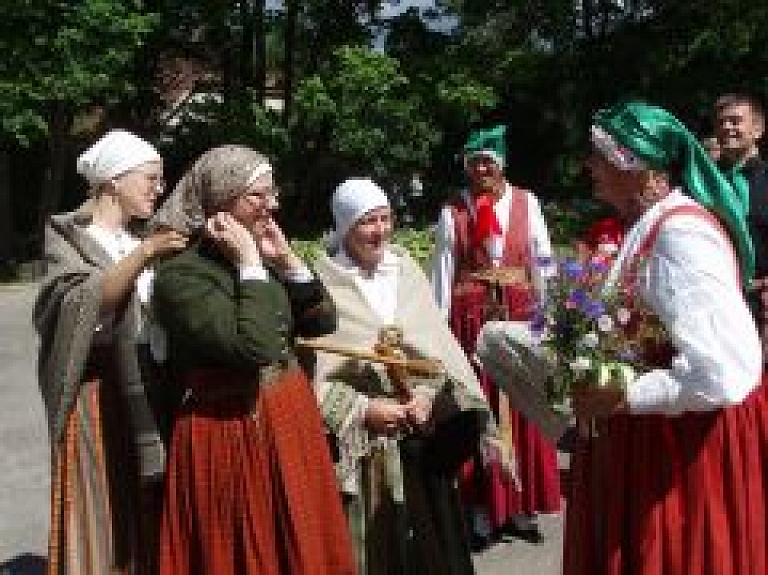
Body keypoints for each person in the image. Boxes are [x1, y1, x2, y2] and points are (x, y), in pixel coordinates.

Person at [565, 101, 767, 574]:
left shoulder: (680, 236)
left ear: (636, 166)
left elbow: (723, 372)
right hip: (659, 439)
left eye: (599, 157)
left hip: (688, 447)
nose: (588, 167)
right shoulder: (648, 226)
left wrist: (624, 395)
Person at [149, 146, 357, 575]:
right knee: (246, 547)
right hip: (229, 430)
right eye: (257, 196)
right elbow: (255, 348)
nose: (273, 204)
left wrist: (289, 263)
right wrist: (249, 264)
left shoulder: (263, 261)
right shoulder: (180, 276)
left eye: (273, 192)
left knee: (300, 539)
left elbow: (321, 322)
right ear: (220, 202)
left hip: (286, 414)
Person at [310, 178, 501, 574]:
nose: (380, 231)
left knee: (432, 550)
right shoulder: (322, 285)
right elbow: (314, 372)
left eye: (385, 219)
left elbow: (438, 350)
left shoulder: (407, 271)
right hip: (365, 451)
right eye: (368, 222)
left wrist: (428, 396)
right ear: (345, 227)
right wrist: (364, 410)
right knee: (375, 550)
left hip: (422, 443)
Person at [33, 130, 188, 575]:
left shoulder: (139, 240)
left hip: (143, 384)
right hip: (96, 392)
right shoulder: (69, 237)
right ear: (114, 181)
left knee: (140, 497)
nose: (159, 189)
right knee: (98, 495)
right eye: (151, 179)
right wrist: (145, 254)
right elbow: (85, 302)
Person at [431, 125, 561, 545]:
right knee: (478, 408)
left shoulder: (527, 203)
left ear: (502, 163)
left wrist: (551, 315)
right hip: (472, 321)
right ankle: (482, 509)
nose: (482, 168)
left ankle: (520, 507)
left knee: (525, 406)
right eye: (474, 161)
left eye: (489, 160)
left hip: (521, 315)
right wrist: (438, 332)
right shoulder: (453, 212)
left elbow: (541, 259)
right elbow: (443, 274)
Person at [714, 94, 768, 344]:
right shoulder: (707, 186)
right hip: (719, 307)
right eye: (721, 122)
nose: (726, 127)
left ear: (758, 129)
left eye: (735, 121)